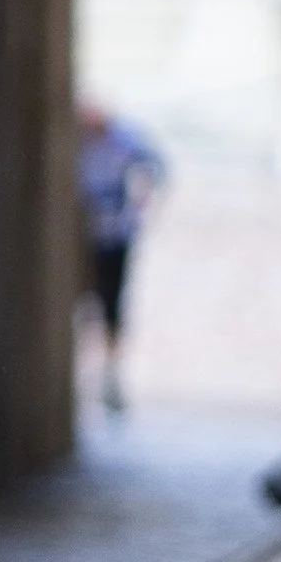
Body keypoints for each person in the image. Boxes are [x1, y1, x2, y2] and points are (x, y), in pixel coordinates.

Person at [76, 102, 166, 414]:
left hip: (114, 236)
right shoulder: (80, 142)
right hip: (83, 236)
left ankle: (110, 375)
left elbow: (155, 168)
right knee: (85, 306)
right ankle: (87, 374)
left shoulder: (123, 141)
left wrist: (144, 201)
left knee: (112, 304)